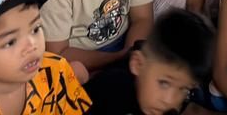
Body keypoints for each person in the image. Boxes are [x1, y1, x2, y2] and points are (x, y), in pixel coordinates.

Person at [82, 8, 213, 115]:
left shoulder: (167, 104)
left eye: (185, 90)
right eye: (164, 83)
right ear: (138, 64)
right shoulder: (110, 90)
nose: (170, 101)